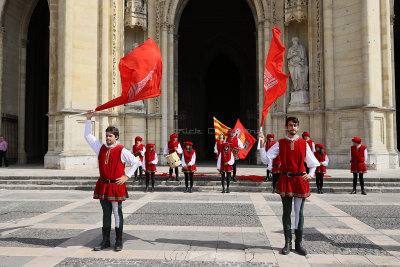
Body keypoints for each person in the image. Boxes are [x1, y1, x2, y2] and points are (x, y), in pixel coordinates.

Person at [259, 117, 320, 256]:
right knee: (286, 212)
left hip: (300, 180)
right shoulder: (280, 143)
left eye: (295, 125)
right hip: (286, 179)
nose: (293, 127)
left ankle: (298, 244)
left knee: (299, 212)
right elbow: (265, 159)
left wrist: (310, 174)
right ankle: (287, 243)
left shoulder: (304, 144)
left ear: (298, 127)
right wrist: (261, 142)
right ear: (287, 127)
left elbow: (313, 163)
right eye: (290, 125)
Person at [84, 111, 140, 252]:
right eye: (106, 136)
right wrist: (88, 119)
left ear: (116, 137)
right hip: (103, 184)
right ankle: (105, 241)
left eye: (110, 136)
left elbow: (135, 162)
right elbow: (88, 136)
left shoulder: (122, 150)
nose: (108, 138)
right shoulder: (100, 148)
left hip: (116, 185)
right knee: (105, 213)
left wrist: (126, 176)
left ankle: (119, 241)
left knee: (117, 212)